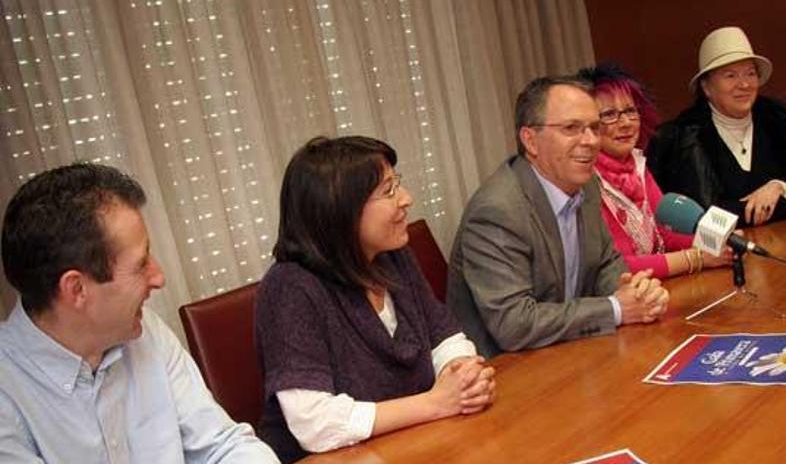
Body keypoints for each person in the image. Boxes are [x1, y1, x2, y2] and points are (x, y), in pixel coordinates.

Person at [0, 163, 278, 463]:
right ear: (77, 289)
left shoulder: (146, 332)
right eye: (141, 264)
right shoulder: (8, 394)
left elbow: (223, 445)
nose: (159, 277)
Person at [256, 136, 495, 462]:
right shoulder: (291, 288)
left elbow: (444, 335)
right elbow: (315, 424)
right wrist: (437, 403)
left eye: (398, 184)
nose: (406, 199)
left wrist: (463, 378)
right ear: (340, 210)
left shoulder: (393, 256)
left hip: (415, 443)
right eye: (389, 191)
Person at [446, 75, 670, 359]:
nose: (590, 141)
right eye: (571, 128)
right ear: (530, 140)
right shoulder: (497, 211)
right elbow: (514, 324)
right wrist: (616, 308)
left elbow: (605, 262)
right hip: (506, 371)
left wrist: (637, 293)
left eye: (594, 128)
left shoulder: (586, 184)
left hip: (568, 351)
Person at [648, 26, 786, 227]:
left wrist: (779, 186)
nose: (744, 85)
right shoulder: (686, 136)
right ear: (706, 87)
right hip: (721, 255)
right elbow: (705, 219)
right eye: (730, 76)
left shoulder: (779, 119)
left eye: (750, 73)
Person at [576, 64, 731, 278]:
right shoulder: (584, 180)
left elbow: (664, 233)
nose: (625, 123)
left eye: (630, 111)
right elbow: (620, 267)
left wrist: (719, 242)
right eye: (610, 115)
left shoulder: (636, 165)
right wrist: (697, 258)